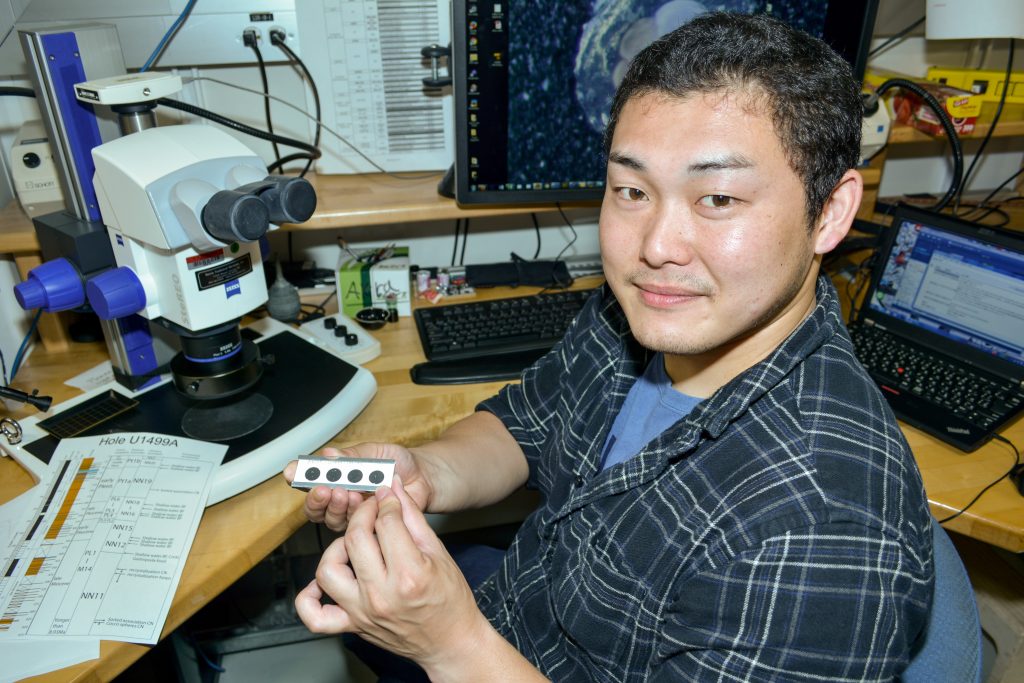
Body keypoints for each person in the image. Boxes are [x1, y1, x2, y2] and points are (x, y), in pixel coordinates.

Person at [285, 12, 934, 682]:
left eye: (716, 196)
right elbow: (528, 423)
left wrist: (452, 644)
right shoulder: (650, 311)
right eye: (631, 190)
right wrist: (430, 471)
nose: (655, 245)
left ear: (829, 211)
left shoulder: (821, 537)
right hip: (518, 613)